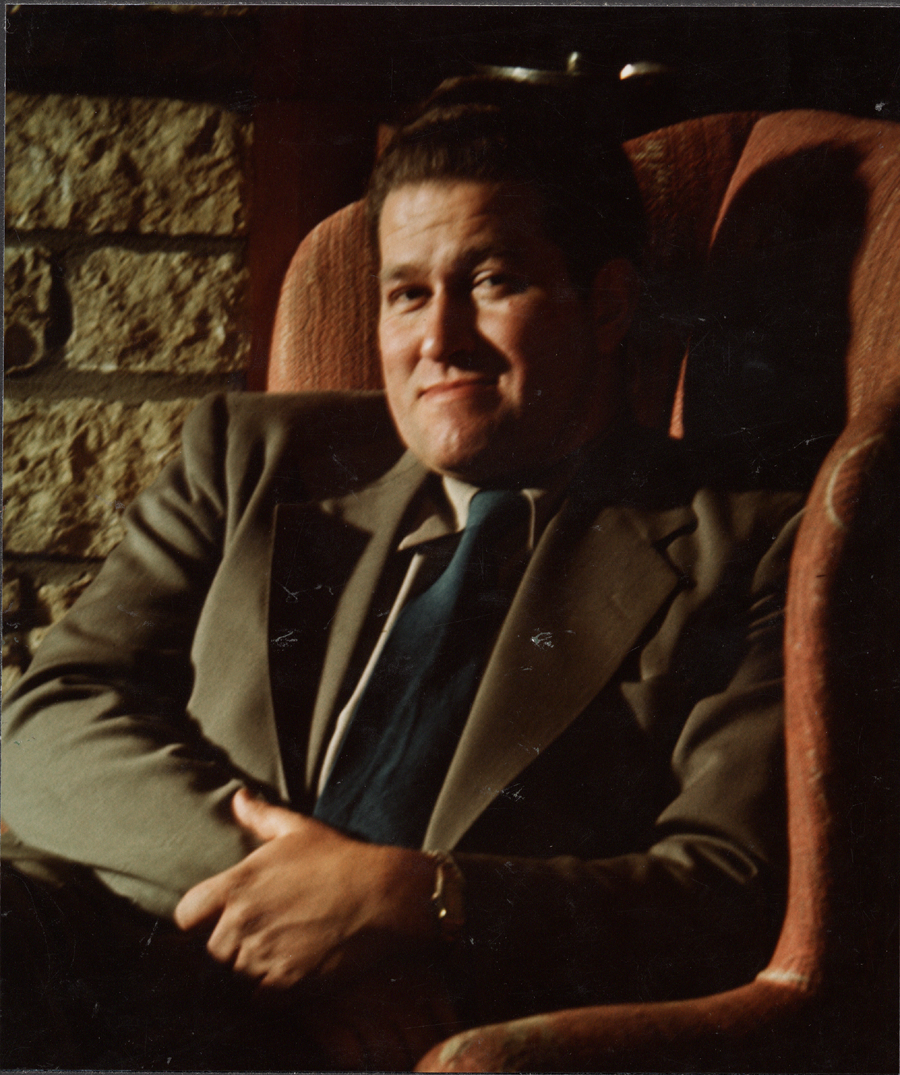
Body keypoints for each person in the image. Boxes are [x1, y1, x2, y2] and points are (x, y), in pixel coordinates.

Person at [2, 74, 804, 1070]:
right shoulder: (254, 456)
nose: (437, 341)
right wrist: (324, 915)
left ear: (606, 304)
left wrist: (419, 902)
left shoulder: (750, 542)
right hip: (132, 950)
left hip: (427, 1029)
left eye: (492, 281)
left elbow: (726, 887)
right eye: (407, 293)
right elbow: (46, 716)